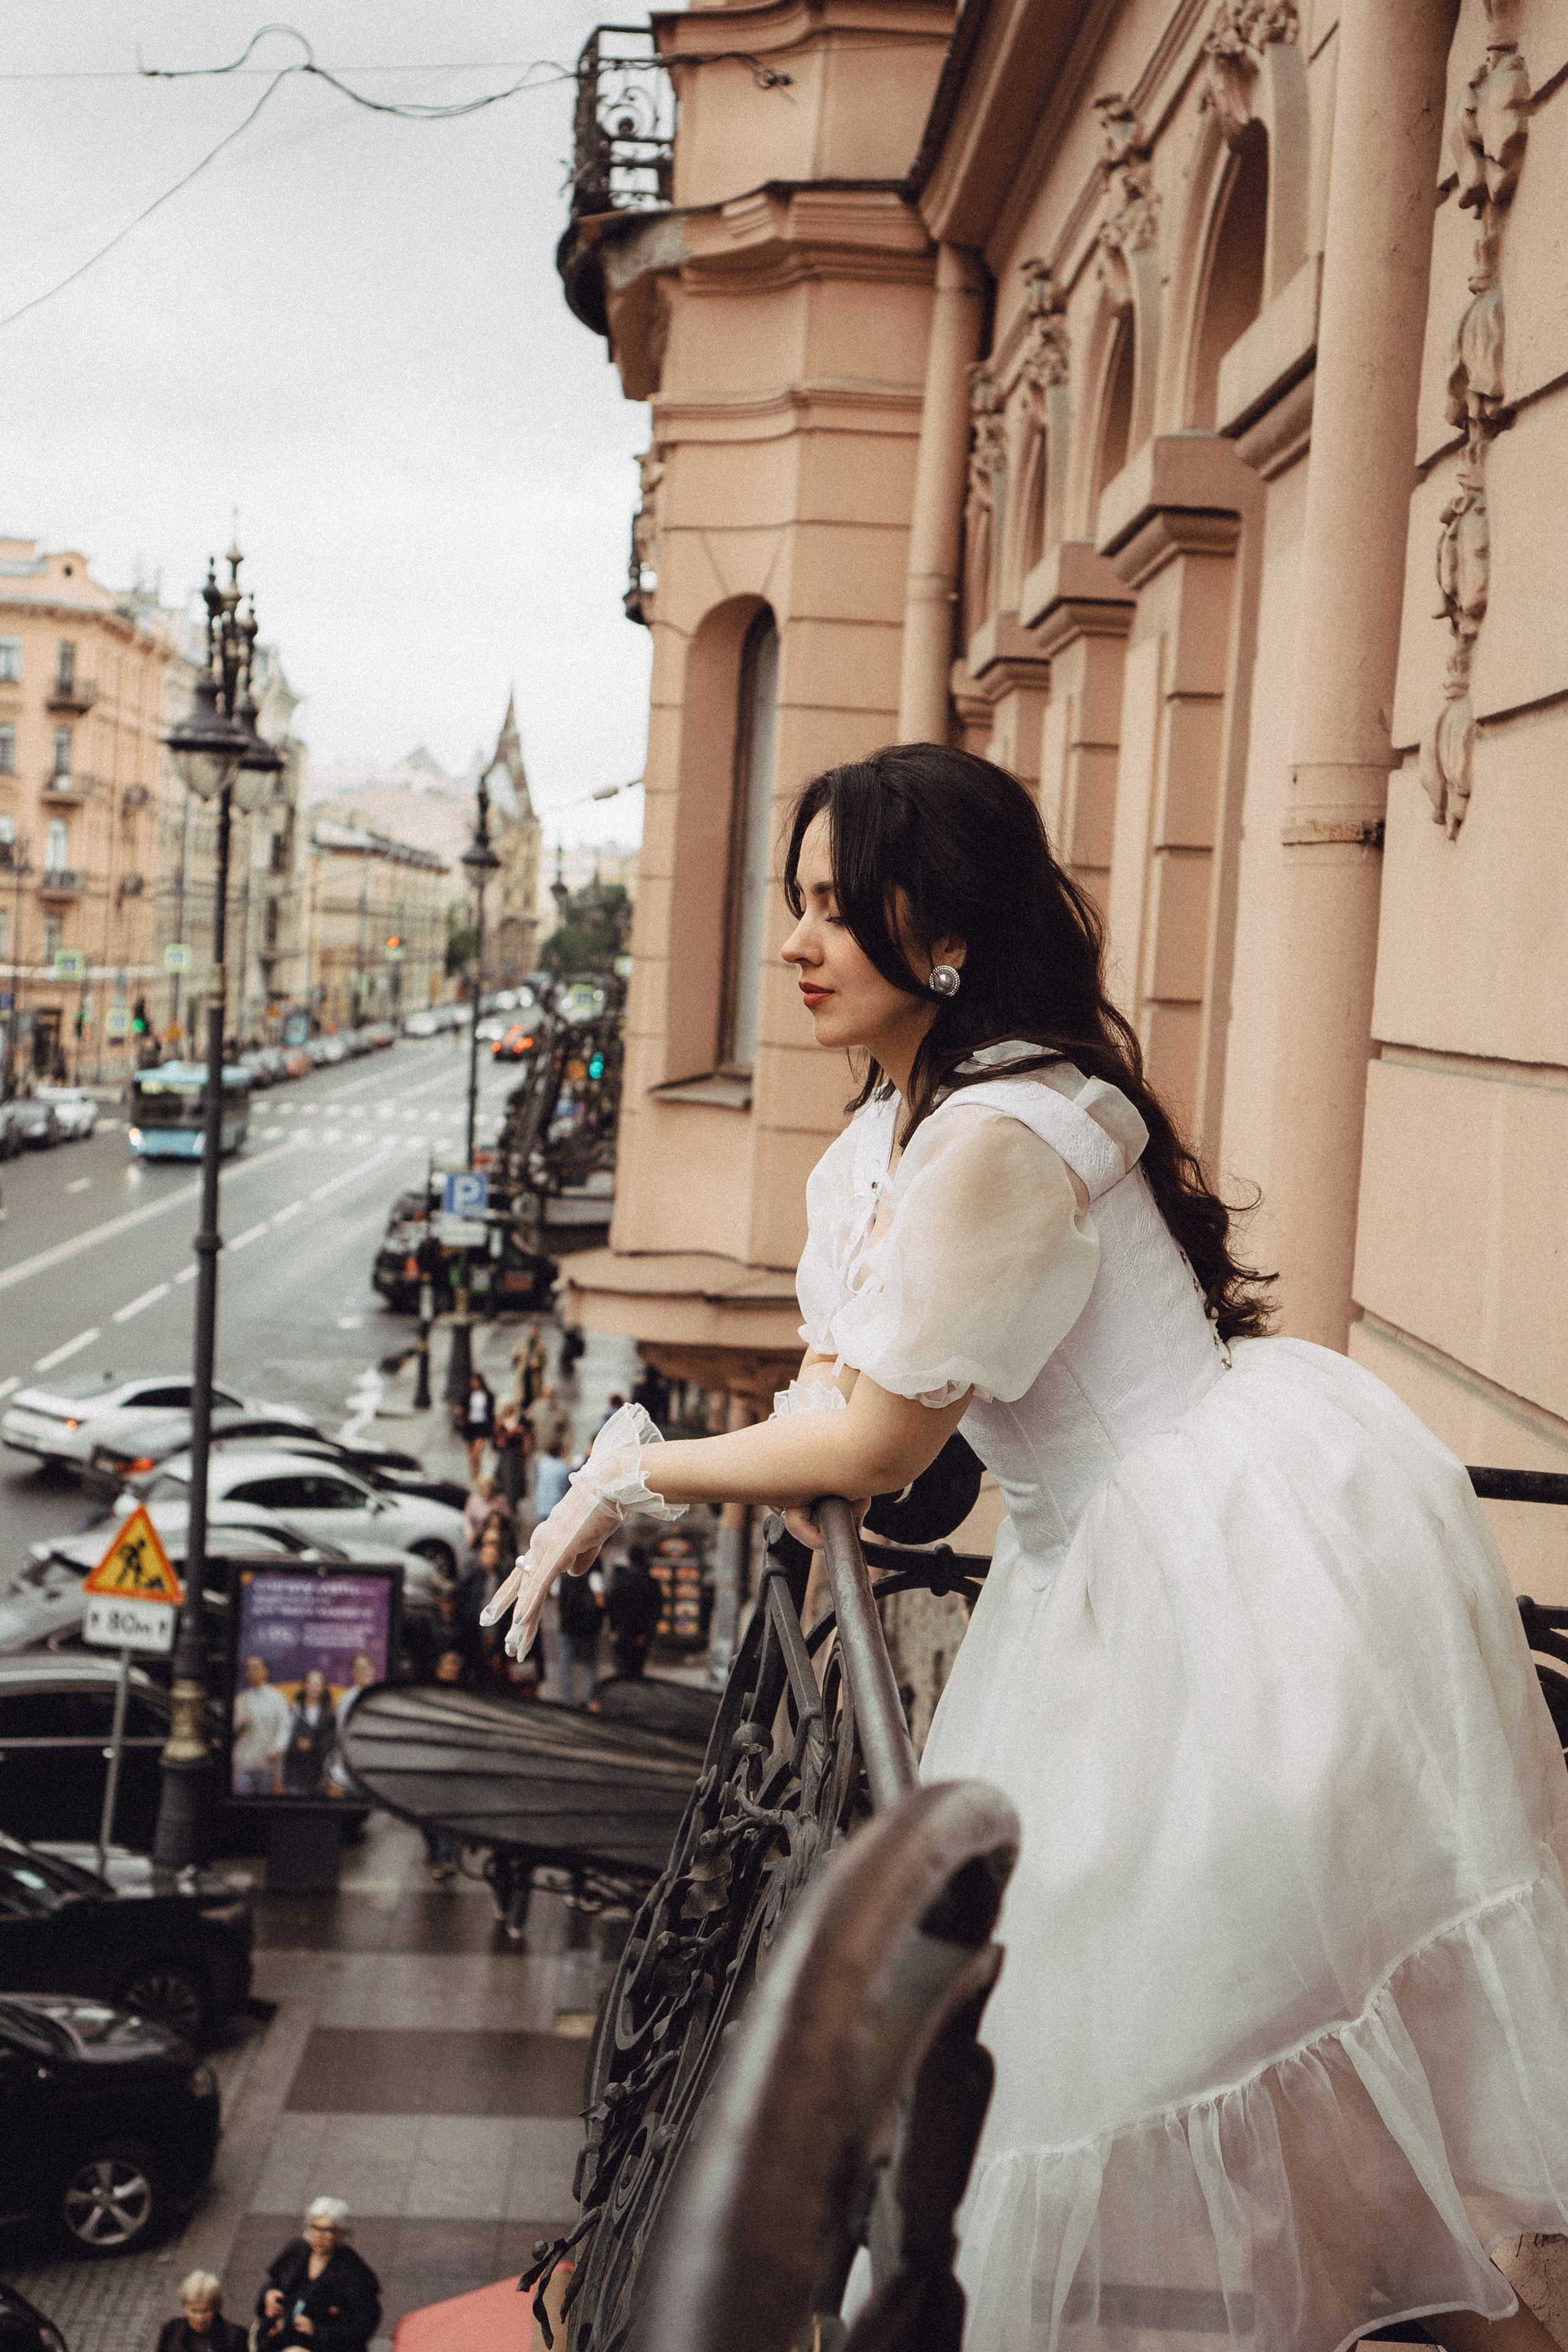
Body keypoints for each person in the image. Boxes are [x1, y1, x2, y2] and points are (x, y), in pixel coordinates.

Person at [484, 743, 1568, 2352]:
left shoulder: (1003, 1131)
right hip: (1102, 1582)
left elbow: (870, 1445)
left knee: (1259, 2040)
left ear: (947, 928)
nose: (795, 943)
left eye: (838, 909)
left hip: (1216, 1581)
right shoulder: (902, 1132)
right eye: (793, 906)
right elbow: (847, 1392)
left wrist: (633, 1473)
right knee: (1206, 2056)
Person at [255, 2197, 381, 2351]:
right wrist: (268, 2295)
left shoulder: (354, 2272)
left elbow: (364, 2326)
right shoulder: (297, 2251)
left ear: (340, 2233)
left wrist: (317, 2331)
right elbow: (273, 2284)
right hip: (281, 2336)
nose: (319, 2236)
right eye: (315, 2228)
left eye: (328, 2230)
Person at [232, 1655, 290, 1798]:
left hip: (266, 1762)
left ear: (266, 1672)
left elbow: (284, 1728)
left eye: (256, 1668)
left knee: (265, 1802)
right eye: (249, 1669)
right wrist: (240, 1724)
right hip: (243, 1762)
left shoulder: (278, 1698)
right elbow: (232, 1732)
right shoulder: (241, 1700)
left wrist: (277, 1748)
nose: (252, 1672)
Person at [606, 1547, 663, 1681]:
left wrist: (614, 1628)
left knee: (622, 1669)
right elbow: (657, 1610)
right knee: (637, 1670)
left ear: (629, 1559)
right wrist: (646, 1633)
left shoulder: (619, 1580)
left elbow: (611, 1606)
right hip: (642, 1634)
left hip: (621, 1632)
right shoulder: (651, 1582)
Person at [156, 2269, 247, 2352]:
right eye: (194, 2311)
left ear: (216, 2308)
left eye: (206, 2311)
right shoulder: (171, 2331)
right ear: (185, 2307)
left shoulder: (237, 2337)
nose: (200, 2318)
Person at [281, 1668, 336, 1798]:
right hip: (294, 1771)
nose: (314, 1687)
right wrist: (296, 1744)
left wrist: (313, 1745)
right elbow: (284, 1736)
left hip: (318, 1772)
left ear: (323, 1688)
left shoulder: (329, 1714)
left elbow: (331, 1743)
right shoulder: (293, 1711)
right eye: (311, 1683)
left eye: (318, 1684)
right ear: (305, 1685)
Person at [554, 1562, 604, 1703]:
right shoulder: (594, 1575)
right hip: (587, 1630)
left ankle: (567, 1701)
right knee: (589, 1665)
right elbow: (600, 1601)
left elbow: (556, 1600)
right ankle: (587, 1701)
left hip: (567, 1628)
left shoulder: (562, 1576)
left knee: (565, 1666)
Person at [457, 1368, 495, 1482]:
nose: (475, 1384)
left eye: (477, 1382)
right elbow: (461, 1408)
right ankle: (475, 1477)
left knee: (476, 1455)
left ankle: (477, 1478)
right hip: (469, 1426)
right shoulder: (468, 1395)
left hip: (482, 1427)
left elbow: (491, 1412)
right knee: (472, 1457)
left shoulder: (488, 1395)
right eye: (473, 1382)